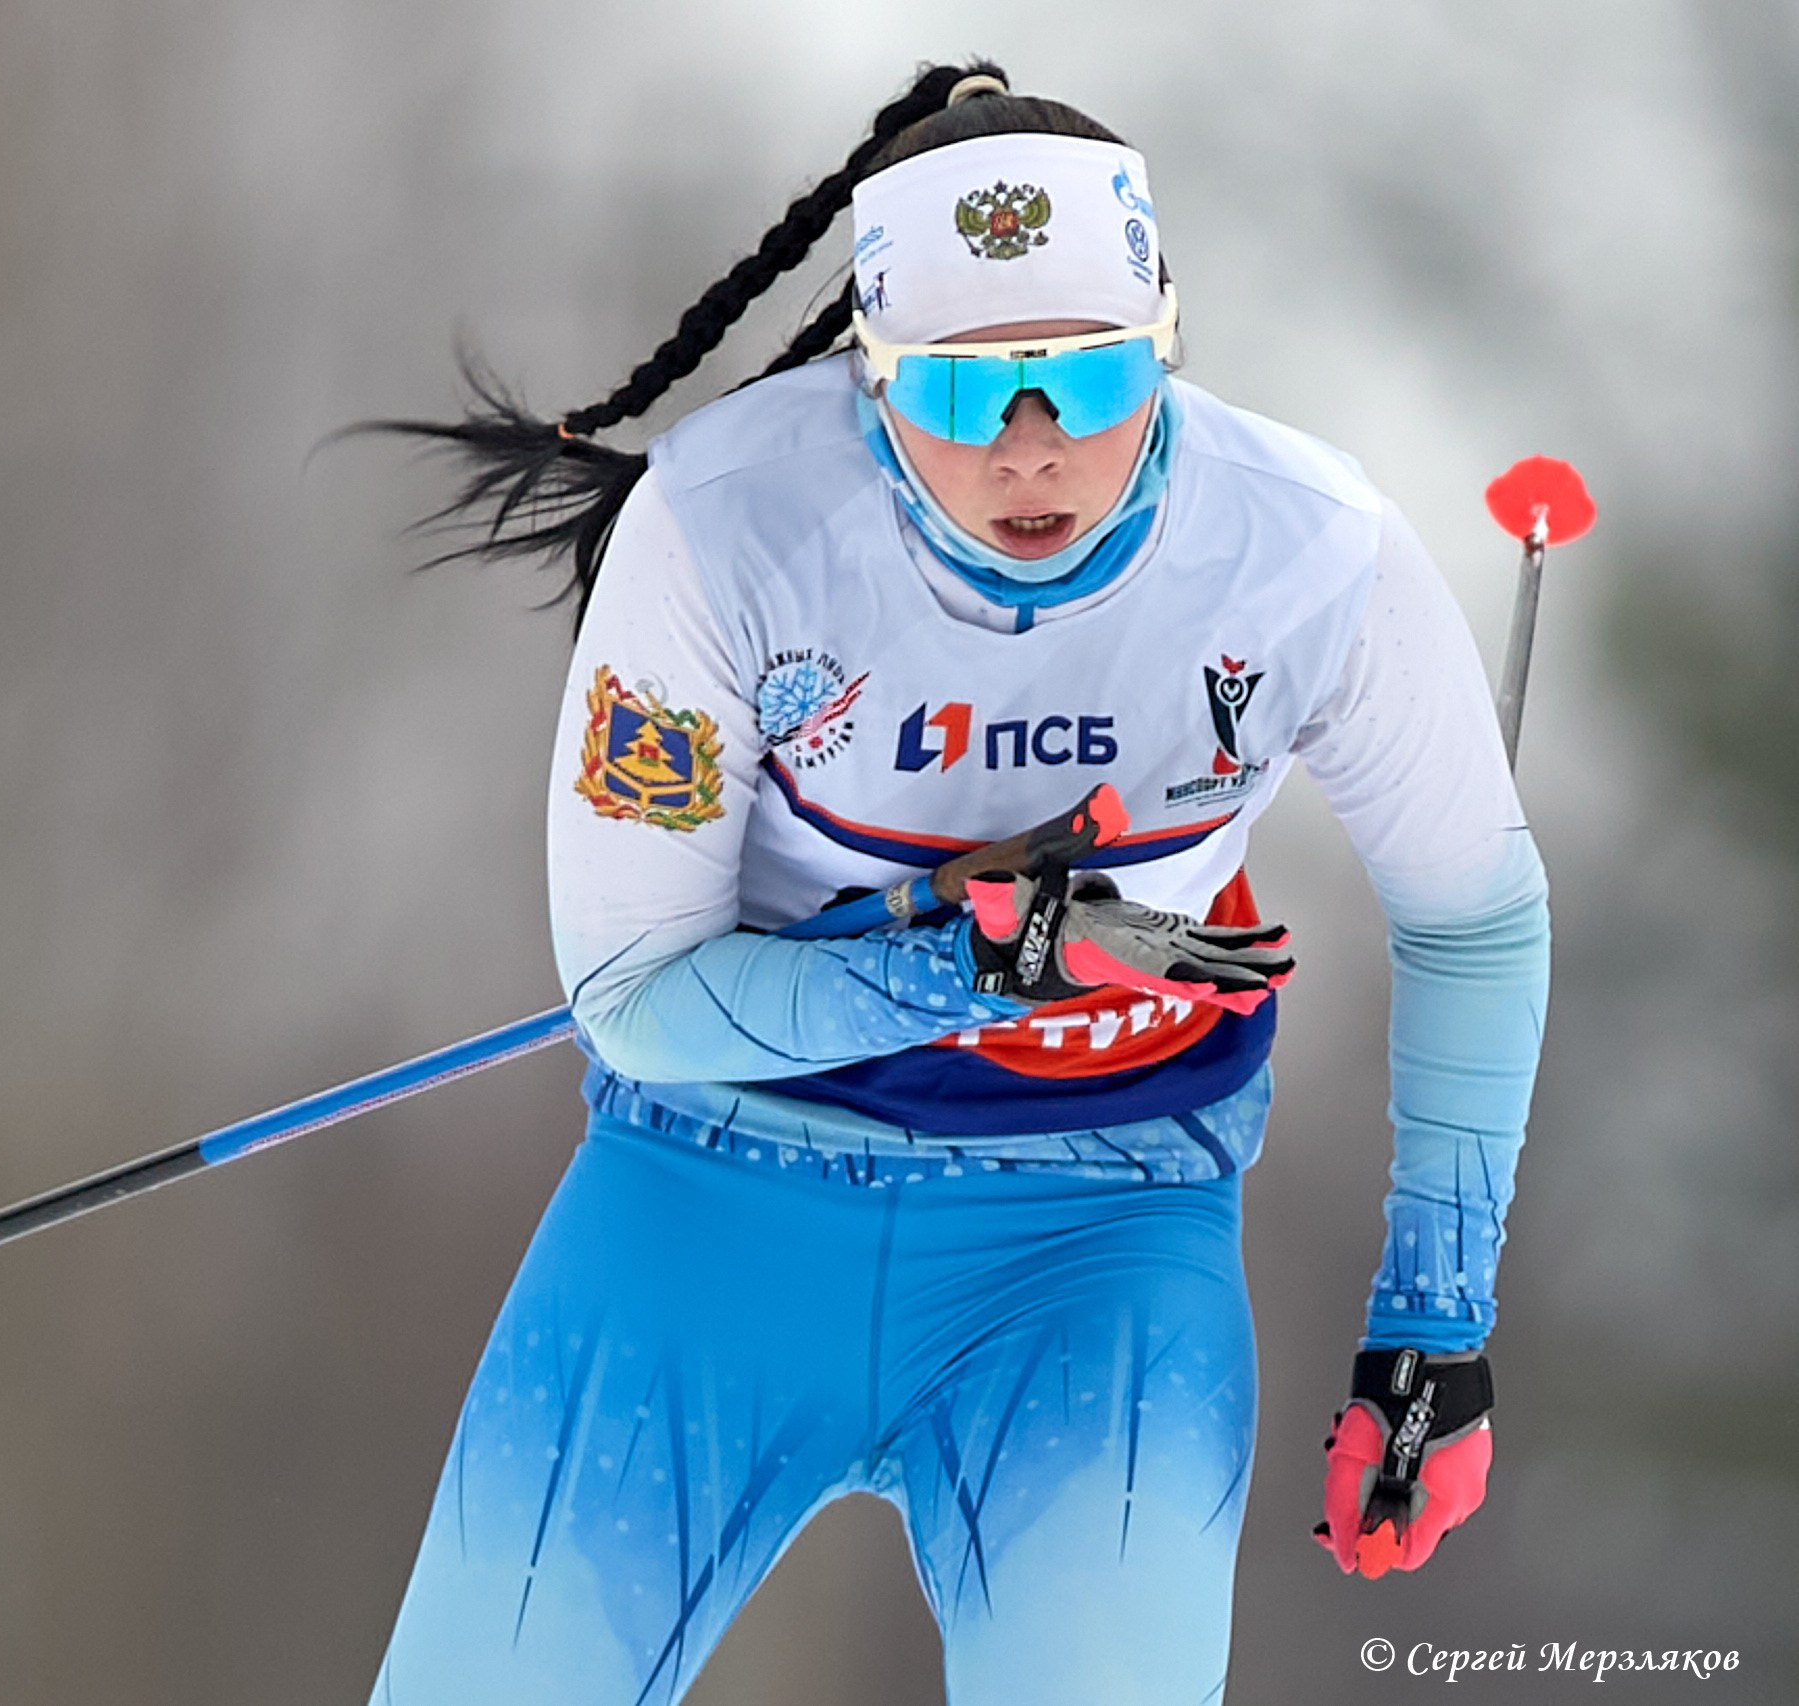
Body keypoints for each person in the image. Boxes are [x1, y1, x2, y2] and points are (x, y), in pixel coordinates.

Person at [362, 60, 1549, 1706]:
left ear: (1170, 341)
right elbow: (633, 1001)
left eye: (1088, 371)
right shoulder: (722, 528)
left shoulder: (1307, 549)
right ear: (868, 374)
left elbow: (1477, 912)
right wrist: (957, 970)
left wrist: (1436, 1316)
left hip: (1096, 1233)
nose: (1036, 446)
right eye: (970, 391)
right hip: (712, 1208)